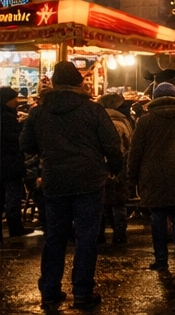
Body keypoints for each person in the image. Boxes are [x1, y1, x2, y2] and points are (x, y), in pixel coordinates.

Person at [20, 60, 123, 308]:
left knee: (55, 235)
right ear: (79, 82)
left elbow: (26, 145)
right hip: (89, 178)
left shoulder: (39, 112)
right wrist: (114, 168)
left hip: (55, 179)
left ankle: (50, 289)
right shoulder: (93, 110)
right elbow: (111, 144)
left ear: (53, 84)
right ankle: (82, 291)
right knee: (86, 237)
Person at [128, 82, 175, 272]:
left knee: (158, 217)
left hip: (152, 174)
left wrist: (131, 177)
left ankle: (161, 260)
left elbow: (136, 152)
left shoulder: (145, 121)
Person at [97, 94, 132, 245]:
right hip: (119, 163)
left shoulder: (97, 119)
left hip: (99, 164)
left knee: (101, 201)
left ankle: (100, 234)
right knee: (119, 202)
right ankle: (119, 233)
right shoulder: (123, 121)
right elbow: (130, 143)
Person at [1, 86, 25, 237]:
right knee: (12, 197)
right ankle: (15, 227)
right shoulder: (6, 117)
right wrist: (22, 125)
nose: (17, 101)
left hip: (5, 163)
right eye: (14, 98)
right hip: (9, 164)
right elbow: (15, 138)